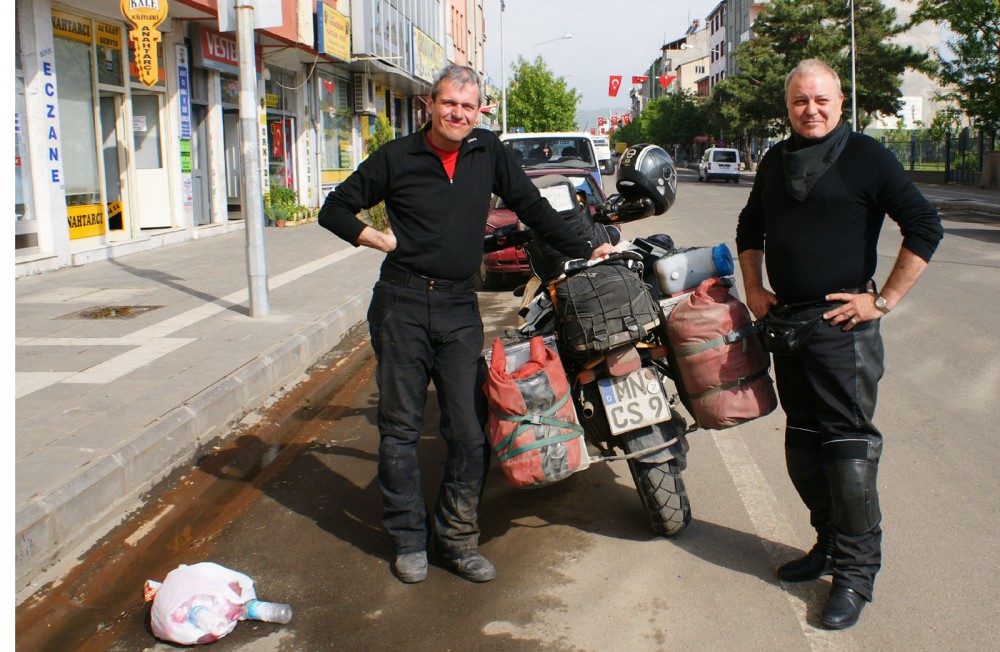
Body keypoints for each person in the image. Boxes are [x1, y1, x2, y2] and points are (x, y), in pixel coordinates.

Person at [318, 64, 615, 585]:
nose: (458, 113)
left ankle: (456, 539)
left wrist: (589, 245)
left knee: (470, 430)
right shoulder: (397, 157)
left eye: (468, 105)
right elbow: (335, 208)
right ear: (429, 105)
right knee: (400, 430)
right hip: (401, 305)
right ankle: (409, 540)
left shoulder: (488, 153)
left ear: (479, 111)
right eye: (448, 103)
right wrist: (376, 238)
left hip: (459, 308)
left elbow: (533, 208)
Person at [735, 59, 943, 629]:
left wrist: (883, 300)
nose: (812, 110)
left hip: (843, 331)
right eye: (801, 101)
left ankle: (856, 573)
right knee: (803, 447)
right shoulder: (775, 162)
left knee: (849, 452)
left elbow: (925, 226)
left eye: (822, 100)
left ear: (840, 102)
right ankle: (826, 544)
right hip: (788, 328)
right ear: (789, 106)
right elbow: (750, 227)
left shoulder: (866, 157)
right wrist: (754, 285)